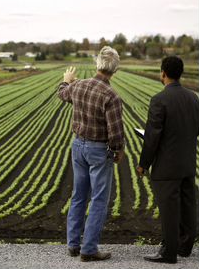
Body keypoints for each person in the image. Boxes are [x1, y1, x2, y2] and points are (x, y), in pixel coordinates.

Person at [58, 46, 125, 262]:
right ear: (115, 70)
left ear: (97, 65)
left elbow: (62, 94)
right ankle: (89, 249)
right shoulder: (111, 96)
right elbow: (115, 132)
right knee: (98, 199)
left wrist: (67, 80)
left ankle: (73, 244)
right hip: (98, 150)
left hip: (77, 146)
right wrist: (118, 151)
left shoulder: (79, 86)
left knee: (79, 194)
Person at [137, 56, 199, 264]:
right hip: (189, 163)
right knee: (188, 205)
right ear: (180, 73)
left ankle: (168, 252)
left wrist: (143, 163)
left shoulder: (159, 100)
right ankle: (185, 246)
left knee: (169, 209)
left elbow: (152, 137)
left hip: (167, 167)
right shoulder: (193, 98)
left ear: (163, 73)